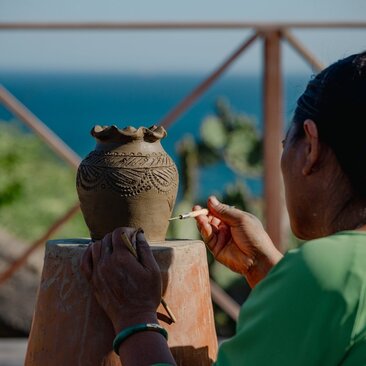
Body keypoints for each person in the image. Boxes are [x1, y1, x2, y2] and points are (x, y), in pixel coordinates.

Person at [81, 51, 366, 365]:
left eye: (287, 143)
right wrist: (266, 267)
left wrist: (134, 317)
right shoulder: (340, 278)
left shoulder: (328, 271)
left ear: (311, 147)